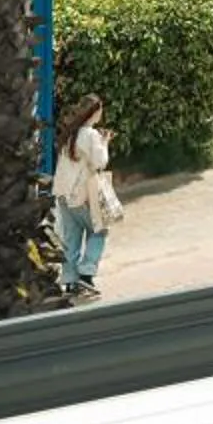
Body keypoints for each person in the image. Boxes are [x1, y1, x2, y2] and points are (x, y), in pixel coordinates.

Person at [50, 93, 121, 299]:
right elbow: (100, 162)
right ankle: (86, 273)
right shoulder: (90, 135)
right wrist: (105, 141)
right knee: (99, 230)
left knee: (71, 237)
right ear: (95, 112)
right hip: (82, 194)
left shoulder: (70, 134)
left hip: (63, 193)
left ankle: (70, 281)